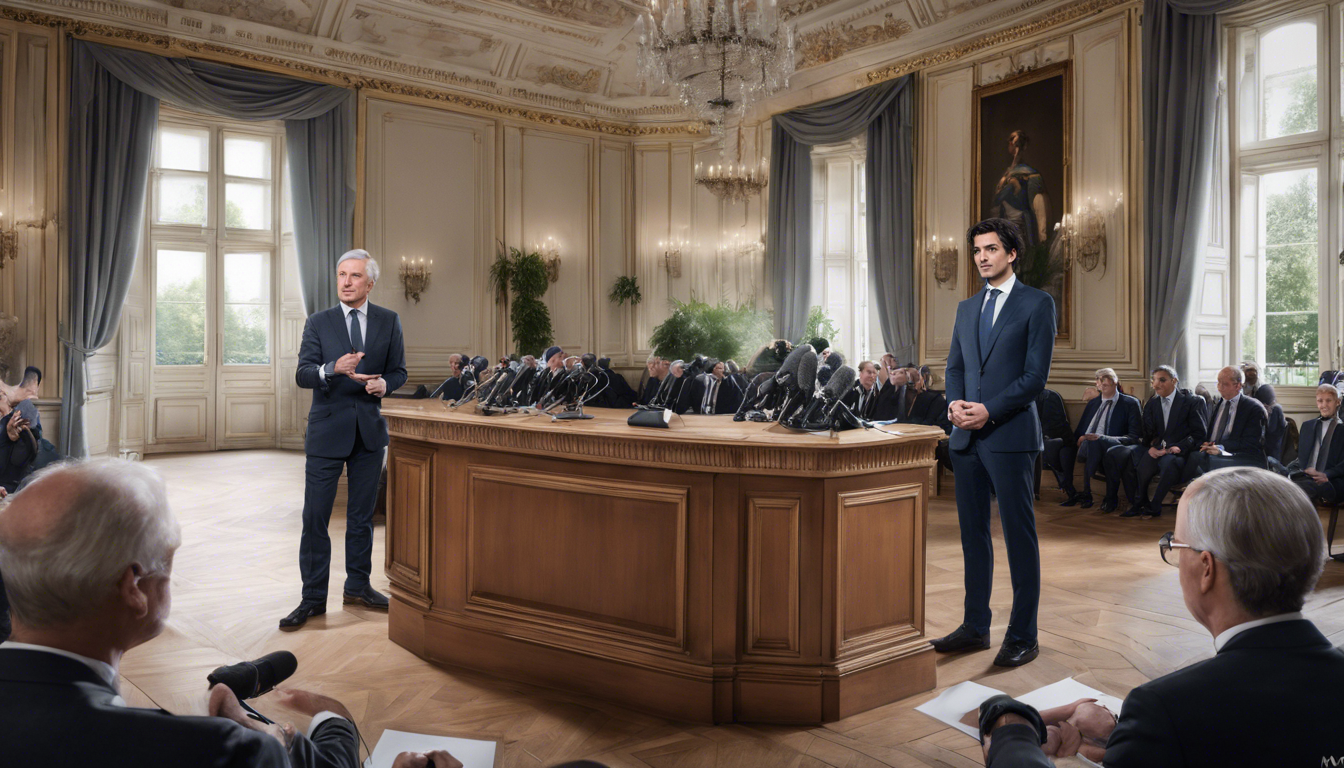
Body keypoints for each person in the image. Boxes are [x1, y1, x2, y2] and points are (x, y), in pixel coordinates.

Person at [0, 460, 361, 768]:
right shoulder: (221, 752)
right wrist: (302, 730)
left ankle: (235, 692)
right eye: (170, 560)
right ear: (134, 589)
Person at [977, 466, 1344, 767]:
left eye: (1176, 544)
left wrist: (1014, 730)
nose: (1173, 556)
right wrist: (1131, 739)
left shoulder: (1166, 709)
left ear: (1206, 569)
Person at [934, 217, 1055, 668]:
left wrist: (989, 410)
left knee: (1019, 540)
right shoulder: (967, 308)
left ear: (1011, 253)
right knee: (972, 537)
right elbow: (955, 368)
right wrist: (954, 406)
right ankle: (975, 626)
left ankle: (1024, 635)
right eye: (977, 250)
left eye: (991, 249)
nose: (982, 257)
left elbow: (1034, 379)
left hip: (1010, 438)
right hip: (966, 439)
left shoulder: (1037, 303)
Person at [285, 249, 407, 630]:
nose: (346, 282)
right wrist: (330, 368)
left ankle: (358, 587)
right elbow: (303, 373)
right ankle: (312, 598)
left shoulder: (389, 321)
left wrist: (386, 383)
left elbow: (400, 371)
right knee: (315, 518)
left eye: (355, 276)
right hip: (326, 432)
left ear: (369, 283)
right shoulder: (319, 322)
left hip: (369, 434)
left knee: (361, 519)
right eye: (341, 274)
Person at [1115, 365, 1207, 519]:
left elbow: (1199, 434)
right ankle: (1139, 503)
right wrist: (1151, 447)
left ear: (1174, 381)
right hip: (1159, 449)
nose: (1156, 385)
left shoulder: (1191, 402)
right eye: (1154, 381)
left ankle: (1155, 505)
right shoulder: (1152, 404)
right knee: (1143, 463)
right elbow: (1148, 433)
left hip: (1182, 451)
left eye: (1162, 380)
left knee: (1169, 463)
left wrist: (1179, 447)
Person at [1058, 368, 1142, 510]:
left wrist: (1101, 438)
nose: (1102, 386)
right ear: (1096, 384)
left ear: (1115, 383)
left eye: (1106, 384)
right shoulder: (1093, 403)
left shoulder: (1130, 403)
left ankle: (1088, 493)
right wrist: (1081, 438)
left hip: (1112, 443)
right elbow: (1080, 431)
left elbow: (1134, 436)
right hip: (1087, 443)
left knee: (1096, 442)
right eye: (1100, 383)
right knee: (1064, 448)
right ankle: (1072, 493)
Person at [1185, 366, 1267, 483]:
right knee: (1188, 454)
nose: (1219, 387)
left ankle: (1186, 491)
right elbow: (1213, 433)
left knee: (1197, 459)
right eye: (1218, 383)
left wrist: (1220, 448)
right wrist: (1209, 444)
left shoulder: (1253, 408)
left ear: (1238, 386)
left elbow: (1251, 443)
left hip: (1242, 455)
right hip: (1215, 451)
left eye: (1225, 384)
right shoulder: (1220, 403)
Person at [1279, 382, 1344, 504]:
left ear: (1338, 402)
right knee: (1280, 485)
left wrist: (1326, 474)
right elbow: (1302, 457)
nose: (1324, 405)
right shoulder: (1307, 426)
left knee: (1299, 491)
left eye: (1328, 401)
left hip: (1331, 480)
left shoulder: (1342, 429)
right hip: (1305, 476)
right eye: (1320, 401)